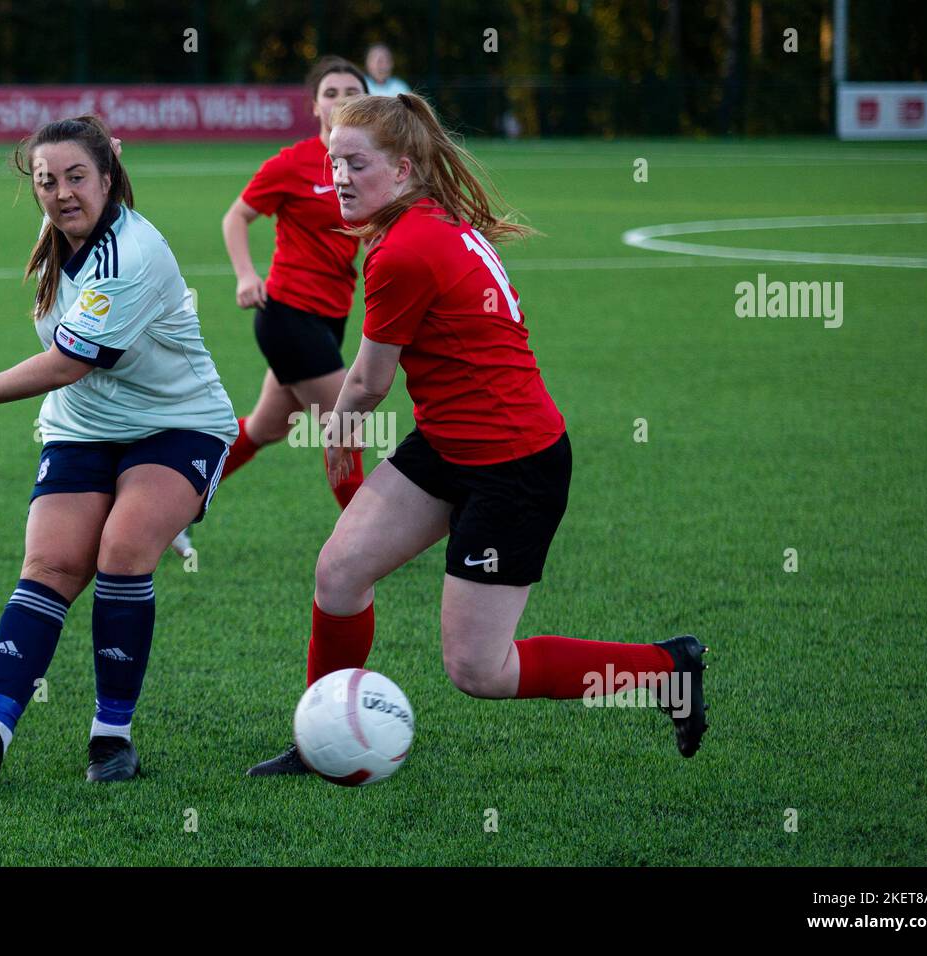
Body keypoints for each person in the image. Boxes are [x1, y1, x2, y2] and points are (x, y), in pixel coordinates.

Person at [247, 93, 709, 776]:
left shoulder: (404, 247)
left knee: (478, 669)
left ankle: (665, 669)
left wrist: (337, 438)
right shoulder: (422, 222)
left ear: (403, 171)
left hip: (513, 466)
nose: (338, 177)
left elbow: (371, 382)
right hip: (448, 443)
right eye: (333, 161)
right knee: (340, 572)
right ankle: (321, 738)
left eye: (357, 164)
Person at [0, 115, 238, 784]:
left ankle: (111, 738)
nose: (61, 192)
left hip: (178, 424)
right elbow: (72, 378)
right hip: (80, 429)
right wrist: (94, 152)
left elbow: (67, 363)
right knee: (49, 566)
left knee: (122, 552)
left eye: (78, 177)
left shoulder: (131, 255)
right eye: (47, 180)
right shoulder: (61, 227)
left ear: (109, 179)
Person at [218, 56, 369, 509]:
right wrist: (246, 275)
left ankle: (171, 500)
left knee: (267, 427)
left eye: (352, 92)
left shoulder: (368, 164)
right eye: (331, 93)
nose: (342, 100)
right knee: (347, 424)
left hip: (332, 316)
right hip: (288, 314)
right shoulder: (292, 163)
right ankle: (364, 543)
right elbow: (236, 216)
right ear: (315, 107)